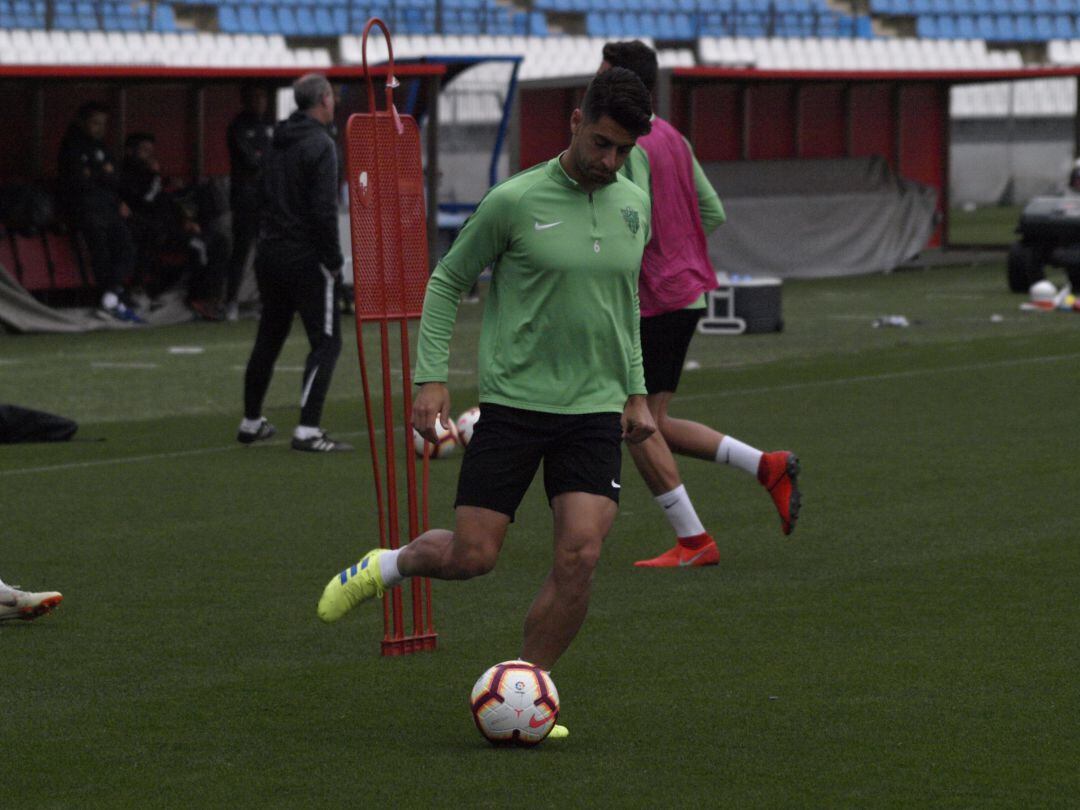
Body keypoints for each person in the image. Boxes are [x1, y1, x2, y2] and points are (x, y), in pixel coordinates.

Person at [316, 69, 656, 738]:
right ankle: (389, 564)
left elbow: (625, 308)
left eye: (622, 150)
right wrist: (430, 378)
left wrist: (637, 392)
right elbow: (446, 282)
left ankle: (529, 689)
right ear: (576, 121)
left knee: (580, 555)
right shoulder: (514, 199)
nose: (610, 161)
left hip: (592, 411)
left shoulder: (632, 201)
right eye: (602, 143)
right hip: (515, 404)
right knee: (473, 557)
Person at [598, 41, 800, 568]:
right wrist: (680, 248)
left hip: (653, 298)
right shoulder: (672, 137)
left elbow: (629, 217)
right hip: (687, 290)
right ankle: (766, 465)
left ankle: (694, 540)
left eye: (601, 77)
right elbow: (711, 210)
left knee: (632, 420)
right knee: (654, 420)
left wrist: (647, 255)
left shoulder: (631, 144)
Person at [237, 74, 352, 452]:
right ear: (323, 99)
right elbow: (323, 210)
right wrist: (334, 260)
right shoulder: (321, 144)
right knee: (327, 342)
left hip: (270, 251)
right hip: (305, 256)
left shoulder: (275, 139)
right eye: (332, 96)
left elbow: (259, 194)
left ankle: (251, 421)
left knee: (269, 337)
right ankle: (307, 429)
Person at [117, 133, 225, 319]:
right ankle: (199, 298)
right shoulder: (126, 176)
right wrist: (155, 176)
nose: (150, 155)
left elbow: (166, 202)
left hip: (171, 227)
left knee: (219, 240)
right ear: (130, 151)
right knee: (199, 246)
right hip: (150, 231)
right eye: (144, 151)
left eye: (152, 151)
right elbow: (146, 201)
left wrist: (185, 220)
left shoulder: (152, 177)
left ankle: (212, 297)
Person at [57, 101, 142, 323]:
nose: (100, 128)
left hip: (109, 208)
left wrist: (100, 176)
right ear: (82, 122)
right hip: (86, 209)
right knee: (101, 255)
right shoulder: (72, 146)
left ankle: (112, 294)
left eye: (103, 123)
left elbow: (114, 179)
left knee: (127, 248)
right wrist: (102, 174)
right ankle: (111, 299)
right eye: (95, 123)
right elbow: (79, 182)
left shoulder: (102, 147)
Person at [225, 83, 273, 322]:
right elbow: (251, 161)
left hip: (267, 198)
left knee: (266, 251)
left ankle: (264, 301)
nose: (260, 102)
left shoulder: (269, 127)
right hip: (245, 197)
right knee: (242, 249)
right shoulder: (238, 127)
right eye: (255, 97)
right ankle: (231, 301)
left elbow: (274, 159)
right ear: (245, 100)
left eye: (263, 96)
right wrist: (264, 161)